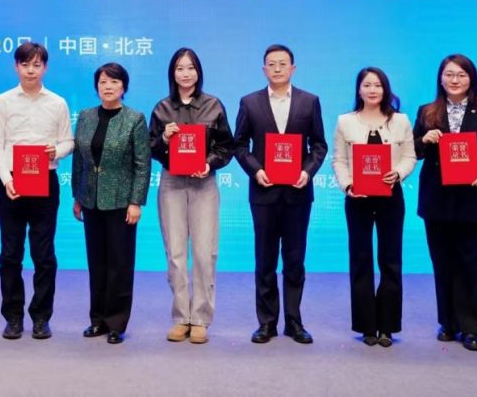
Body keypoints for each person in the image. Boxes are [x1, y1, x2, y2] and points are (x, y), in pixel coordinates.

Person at [413, 54, 477, 352]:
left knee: (472, 264)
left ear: (471, 79)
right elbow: (412, 151)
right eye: (449, 74)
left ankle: (470, 328)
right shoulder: (427, 111)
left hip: (473, 199)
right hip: (437, 200)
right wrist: (424, 140)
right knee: (442, 262)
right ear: (440, 78)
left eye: (461, 75)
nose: (454, 80)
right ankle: (448, 322)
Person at [233, 43, 327, 344]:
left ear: (293, 68)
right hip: (264, 192)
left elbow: (319, 144)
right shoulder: (249, 102)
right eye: (271, 64)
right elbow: (239, 145)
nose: (277, 68)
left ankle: (294, 322)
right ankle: (266, 323)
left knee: (295, 260)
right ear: (264, 69)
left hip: (298, 193)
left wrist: (307, 171)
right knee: (265, 260)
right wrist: (256, 170)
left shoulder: (309, 101)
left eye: (282, 63)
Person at [0, 42, 74, 340]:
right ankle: (13, 317)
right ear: (16, 67)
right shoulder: (3, 101)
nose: (31, 70)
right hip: (11, 182)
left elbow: (68, 141)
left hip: (45, 181)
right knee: (10, 254)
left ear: (45, 68)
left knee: (44, 254)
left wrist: (56, 151)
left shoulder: (58, 103)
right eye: (25, 64)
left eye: (37, 65)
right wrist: (6, 178)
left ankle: (41, 317)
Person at [148, 48, 234, 344]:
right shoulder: (162, 108)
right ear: (172, 73)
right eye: (179, 68)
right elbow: (150, 148)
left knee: (203, 253)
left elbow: (226, 146)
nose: (185, 74)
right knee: (175, 253)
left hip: (203, 184)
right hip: (171, 183)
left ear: (198, 72)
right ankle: (180, 317)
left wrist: (209, 163)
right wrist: (164, 138)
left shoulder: (213, 105)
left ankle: (200, 318)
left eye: (190, 68)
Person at [331, 67, 416, 347]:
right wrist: (348, 185)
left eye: (377, 85)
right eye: (367, 85)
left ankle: (387, 327)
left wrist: (398, 173)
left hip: (391, 197)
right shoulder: (345, 121)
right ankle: (367, 325)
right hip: (357, 199)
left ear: (385, 89)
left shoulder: (400, 120)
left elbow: (409, 156)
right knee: (360, 259)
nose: (372, 90)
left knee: (390, 260)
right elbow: (339, 160)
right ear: (359, 89)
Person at [71, 63, 150, 345]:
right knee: (97, 263)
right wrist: (77, 196)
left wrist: (136, 201)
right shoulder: (86, 116)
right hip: (90, 200)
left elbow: (142, 164)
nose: (108, 87)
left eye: (114, 82)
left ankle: (116, 322)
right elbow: (79, 159)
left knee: (120, 264)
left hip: (120, 202)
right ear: (97, 86)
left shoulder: (134, 119)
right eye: (103, 81)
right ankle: (97, 320)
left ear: (123, 87)